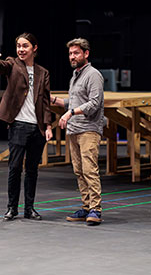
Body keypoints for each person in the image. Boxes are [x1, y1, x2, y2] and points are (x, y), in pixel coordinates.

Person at [0, 32, 52, 221]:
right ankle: (12, 208)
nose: (21, 49)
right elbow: (1, 66)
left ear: (34, 48)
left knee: (32, 169)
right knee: (14, 167)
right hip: (19, 125)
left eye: (25, 46)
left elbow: (46, 101)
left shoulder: (43, 72)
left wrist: (48, 126)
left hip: (36, 127)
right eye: (19, 46)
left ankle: (29, 208)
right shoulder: (12, 64)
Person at [50, 38, 104, 225]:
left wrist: (70, 112)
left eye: (76, 53)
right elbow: (72, 102)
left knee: (89, 170)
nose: (72, 56)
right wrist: (55, 100)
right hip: (74, 130)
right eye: (71, 53)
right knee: (79, 171)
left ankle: (96, 210)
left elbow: (94, 103)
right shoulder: (75, 76)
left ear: (86, 54)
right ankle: (86, 207)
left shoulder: (93, 75)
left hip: (88, 129)